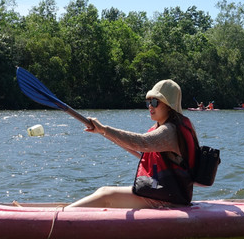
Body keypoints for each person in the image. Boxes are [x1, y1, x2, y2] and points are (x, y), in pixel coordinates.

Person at [68, 79, 199, 208]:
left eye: (155, 102)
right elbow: (141, 146)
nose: (150, 106)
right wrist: (103, 132)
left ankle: (58, 220)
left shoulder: (170, 130)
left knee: (105, 195)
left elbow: (142, 142)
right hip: (166, 193)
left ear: (169, 105)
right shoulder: (170, 127)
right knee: (103, 193)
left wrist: (104, 129)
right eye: (148, 102)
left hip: (169, 200)